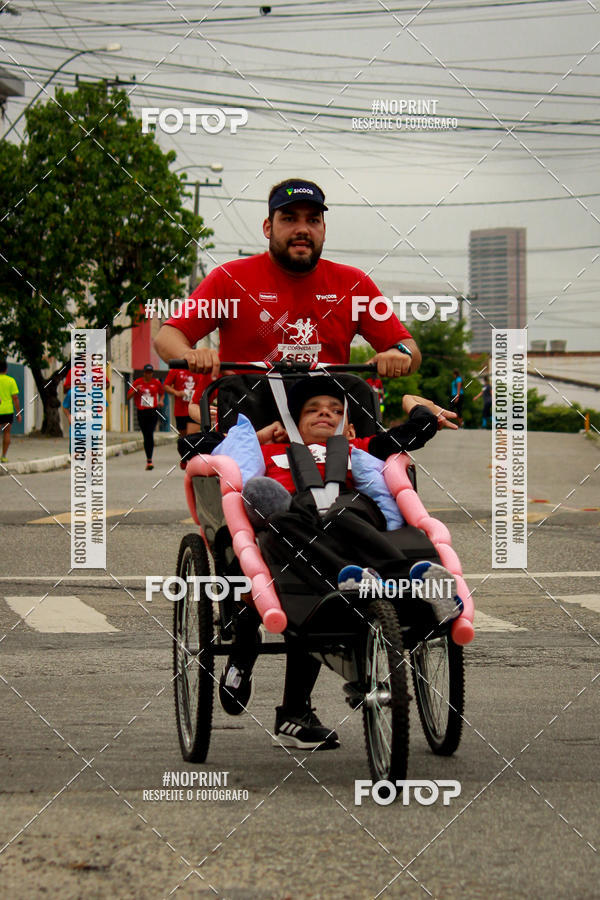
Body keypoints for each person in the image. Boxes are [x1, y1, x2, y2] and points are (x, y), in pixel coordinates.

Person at [219, 376, 460, 750]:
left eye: (334, 411)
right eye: (313, 410)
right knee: (286, 520)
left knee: (338, 509)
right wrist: (263, 436)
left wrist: (415, 402)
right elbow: (195, 450)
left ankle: (408, 583)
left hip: (350, 517)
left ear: (347, 425)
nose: (324, 415)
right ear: (292, 424)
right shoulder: (270, 454)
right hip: (296, 525)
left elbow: (417, 431)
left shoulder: (356, 448)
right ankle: (291, 708)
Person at [154, 178, 421, 379]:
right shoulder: (229, 279)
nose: (302, 229)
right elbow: (167, 338)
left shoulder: (354, 284)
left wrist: (400, 354)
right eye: (290, 219)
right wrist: (190, 354)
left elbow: (410, 350)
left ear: (324, 230)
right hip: (246, 432)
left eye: (313, 220)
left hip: (326, 432)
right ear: (268, 228)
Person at [127, 364, 165, 470]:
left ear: (152, 373)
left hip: (152, 411)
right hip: (141, 411)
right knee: (145, 435)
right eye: (147, 372)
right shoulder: (138, 382)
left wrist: (161, 401)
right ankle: (148, 458)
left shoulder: (156, 382)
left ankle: (149, 460)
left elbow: (162, 393)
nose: (149, 374)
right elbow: (128, 396)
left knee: (150, 434)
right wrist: (135, 390)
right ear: (144, 373)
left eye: (150, 372)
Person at [163, 368, 204, 437]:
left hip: (195, 408)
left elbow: (205, 385)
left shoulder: (199, 368)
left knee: (191, 437)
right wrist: (177, 392)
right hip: (180, 410)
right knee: (183, 439)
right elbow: (166, 385)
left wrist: (198, 393)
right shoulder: (176, 370)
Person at [0, 358, 21, 464]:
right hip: (7, 411)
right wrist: (18, 413)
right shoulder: (11, 381)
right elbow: (15, 398)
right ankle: (3, 456)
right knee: (7, 433)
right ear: (6, 369)